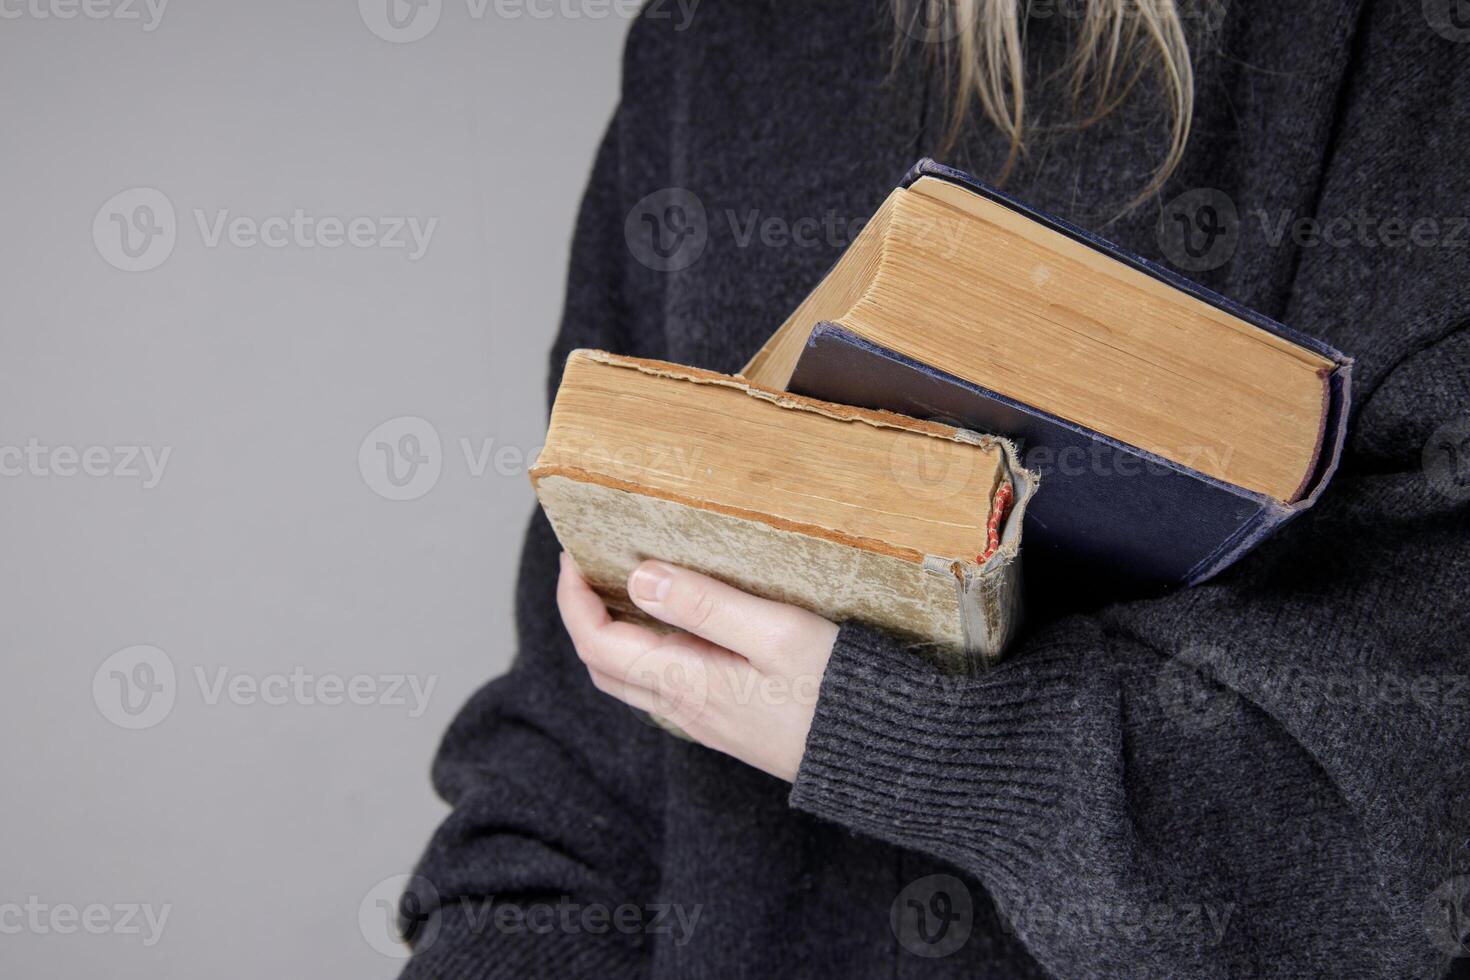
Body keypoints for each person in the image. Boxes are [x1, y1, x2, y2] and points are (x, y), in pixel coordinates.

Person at [400, 1, 1470, 976]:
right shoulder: (703, 39)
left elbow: (1417, 814)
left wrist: (923, 730)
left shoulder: (1385, 44)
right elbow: (583, 764)